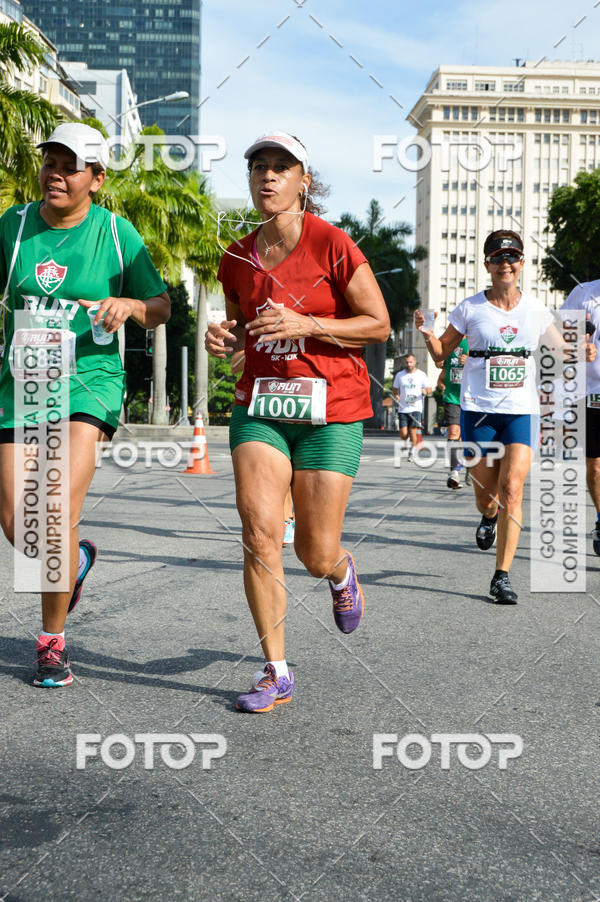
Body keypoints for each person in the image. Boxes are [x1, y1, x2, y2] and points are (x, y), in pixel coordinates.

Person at [206, 131, 389, 712]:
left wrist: (307, 324)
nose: (268, 175)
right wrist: (223, 337)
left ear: (303, 180)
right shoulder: (236, 256)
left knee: (314, 550)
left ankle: (338, 573)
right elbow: (239, 330)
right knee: (260, 535)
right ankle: (275, 671)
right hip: (260, 405)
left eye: (281, 167)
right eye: (258, 165)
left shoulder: (333, 244)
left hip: (329, 410)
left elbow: (378, 324)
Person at [0, 123, 170, 686]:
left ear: (96, 179)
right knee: (20, 522)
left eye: (71, 165)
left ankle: (51, 643)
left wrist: (128, 304)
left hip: (88, 380)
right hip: (23, 382)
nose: (55, 172)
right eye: (50, 160)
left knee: (52, 511)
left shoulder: (118, 234)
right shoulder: (13, 226)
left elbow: (161, 305)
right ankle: (73, 564)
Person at [416, 229, 595, 604]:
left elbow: (561, 352)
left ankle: (502, 576)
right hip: (478, 410)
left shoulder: (535, 310)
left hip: (521, 411)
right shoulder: (470, 308)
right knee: (488, 497)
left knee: (513, 490)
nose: (505, 264)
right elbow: (439, 355)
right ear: (487, 265)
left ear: (522, 264)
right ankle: (487, 516)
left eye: (512, 257)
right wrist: (428, 333)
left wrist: (582, 352)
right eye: (497, 258)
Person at [232, 348, 295, 546]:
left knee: (318, 555)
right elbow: (234, 364)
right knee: (277, 474)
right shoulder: (260, 337)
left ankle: (290, 518)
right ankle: (286, 520)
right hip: (265, 409)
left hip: (313, 411)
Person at [560, 281, 600, 555]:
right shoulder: (583, 292)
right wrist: (577, 343)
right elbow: (558, 337)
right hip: (592, 391)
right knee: (595, 467)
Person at [435, 338, 469, 488]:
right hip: (453, 398)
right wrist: (439, 361)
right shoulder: (448, 341)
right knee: (454, 433)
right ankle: (454, 472)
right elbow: (440, 368)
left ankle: (472, 466)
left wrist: (470, 361)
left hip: (472, 398)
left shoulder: (474, 340)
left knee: (467, 436)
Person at [392, 353, 431, 460]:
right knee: (404, 434)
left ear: (415, 362)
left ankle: (412, 451)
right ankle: (408, 440)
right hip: (403, 408)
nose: (409, 364)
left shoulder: (421, 375)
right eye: (407, 362)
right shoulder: (400, 375)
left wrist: (425, 391)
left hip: (416, 408)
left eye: (411, 362)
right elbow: (395, 389)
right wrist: (396, 395)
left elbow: (429, 388)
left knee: (413, 431)